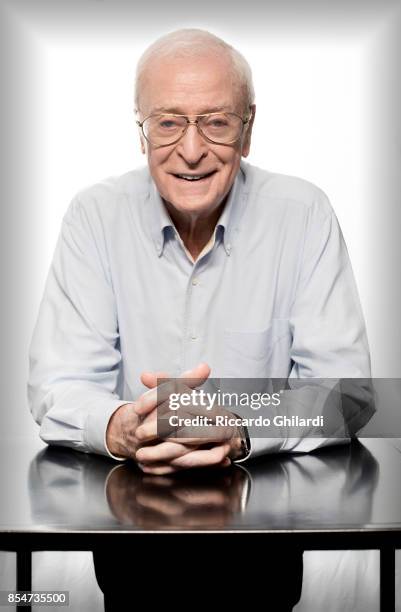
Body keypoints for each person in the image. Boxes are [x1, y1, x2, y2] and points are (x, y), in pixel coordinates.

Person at [27, 28, 373, 611]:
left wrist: (238, 426)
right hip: (129, 548)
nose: (191, 150)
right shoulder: (93, 215)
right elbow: (58, 385)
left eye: (215, 121)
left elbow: (352, 393)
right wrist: (123, 426)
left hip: (265, 547)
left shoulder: (304, 212)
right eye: (168, 123)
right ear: (139, 130)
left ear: (249, 127)